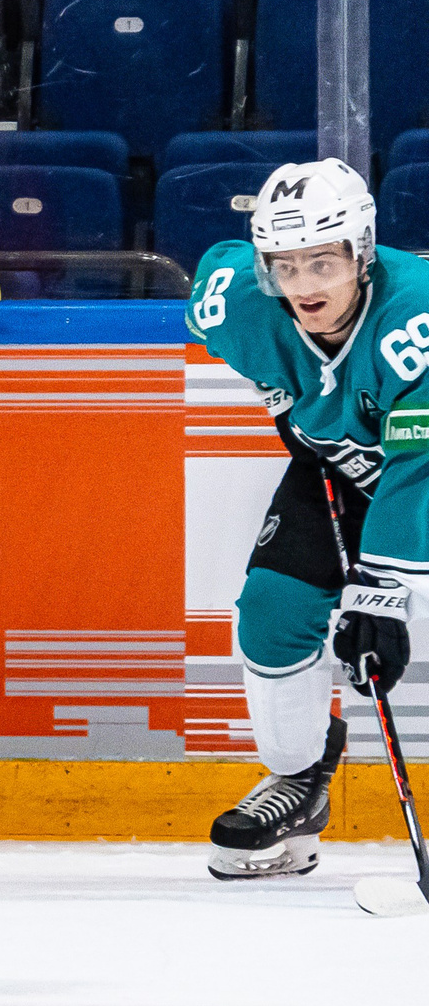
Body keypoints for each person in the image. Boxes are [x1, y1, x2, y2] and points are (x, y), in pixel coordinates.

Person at [187, 158, 429, 880]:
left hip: (418, 470)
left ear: (362, 249)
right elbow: (214, 268)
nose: (304, 286)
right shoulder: (240, 305)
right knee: (271, 607)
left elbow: (416, 471)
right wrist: (283, 398)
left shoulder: (413, 318)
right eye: (285, 266)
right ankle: (297, 780)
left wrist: (381, 596)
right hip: (347, 471)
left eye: (323, 262)